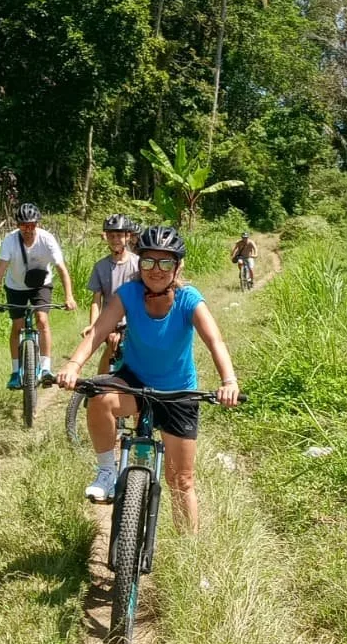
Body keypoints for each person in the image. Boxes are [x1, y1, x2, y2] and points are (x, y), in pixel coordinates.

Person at [57, 225, 240, 527]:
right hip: (135, 382)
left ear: (177, 266)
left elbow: (215, 341)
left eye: (165, 262)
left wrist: (229, 381)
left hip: (178, 392)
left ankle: (189, 553)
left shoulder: (188, 299)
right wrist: (74, 365)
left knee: (181, 480)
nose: (156, 270)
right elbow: (99, 330)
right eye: (148, 262)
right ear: (138, 263)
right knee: (100, 399)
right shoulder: (127, 294)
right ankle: (106, 471)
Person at [0, 203, 77, 387]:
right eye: (24, 225)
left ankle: (46, 368)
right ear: (18, 225)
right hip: (15, 286)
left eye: (32, 225)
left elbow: (62, 269)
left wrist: (69, 297)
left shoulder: (47, 239)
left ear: (37, 224)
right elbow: (1, 269)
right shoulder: (10, 240)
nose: (28, 229)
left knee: (42, 319)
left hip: (41, 284)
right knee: (17, 326)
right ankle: (16, 372)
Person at [83, 214, 139, 375]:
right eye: (111, 235)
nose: (115, 239)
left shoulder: (137, 264)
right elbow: (96, 300)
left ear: (128, 236)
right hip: (110, 322)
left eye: (119, 235)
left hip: (134, 321)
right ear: (105, 237)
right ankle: (98, 390)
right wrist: (94, 325)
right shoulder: (100, 267)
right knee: (110, 354)